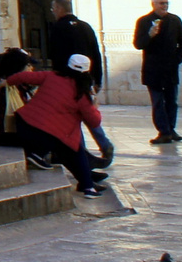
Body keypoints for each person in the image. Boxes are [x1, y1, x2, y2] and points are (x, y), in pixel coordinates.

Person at [6, 53, 108, 195]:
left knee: (70, 145)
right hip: (47, 135)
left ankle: (87, 183)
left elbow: (22, 77)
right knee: (71, 146)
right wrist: (94, 106)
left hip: (24, 124)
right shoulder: (81, 93)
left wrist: (6, 82)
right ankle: (88, 185)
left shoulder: (51, 76)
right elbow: (94, 121)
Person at [47, 0, 114, 165]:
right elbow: (96, 54)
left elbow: (54, 55)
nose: (53, 12)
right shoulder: (85, 27)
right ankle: (104, 144)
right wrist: (97, 79)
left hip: (67, 80)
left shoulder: (58, 28)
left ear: (60, 9)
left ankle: (81, 152)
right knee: (87, 111)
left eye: (54, 9)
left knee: (72, 116)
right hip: (86, 80)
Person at [132, 0, 182, 144]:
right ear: (153, 5)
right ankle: (163, 131)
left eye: (166, 3)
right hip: (153, 69)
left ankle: (171, 129)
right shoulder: (144, 21)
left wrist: (177, 59)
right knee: (158, 102)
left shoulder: (175, 20)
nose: (164, 6)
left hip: (170, 68)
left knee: (172, 101)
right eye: (161, 3)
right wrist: (150, 35)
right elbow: (138, 44)